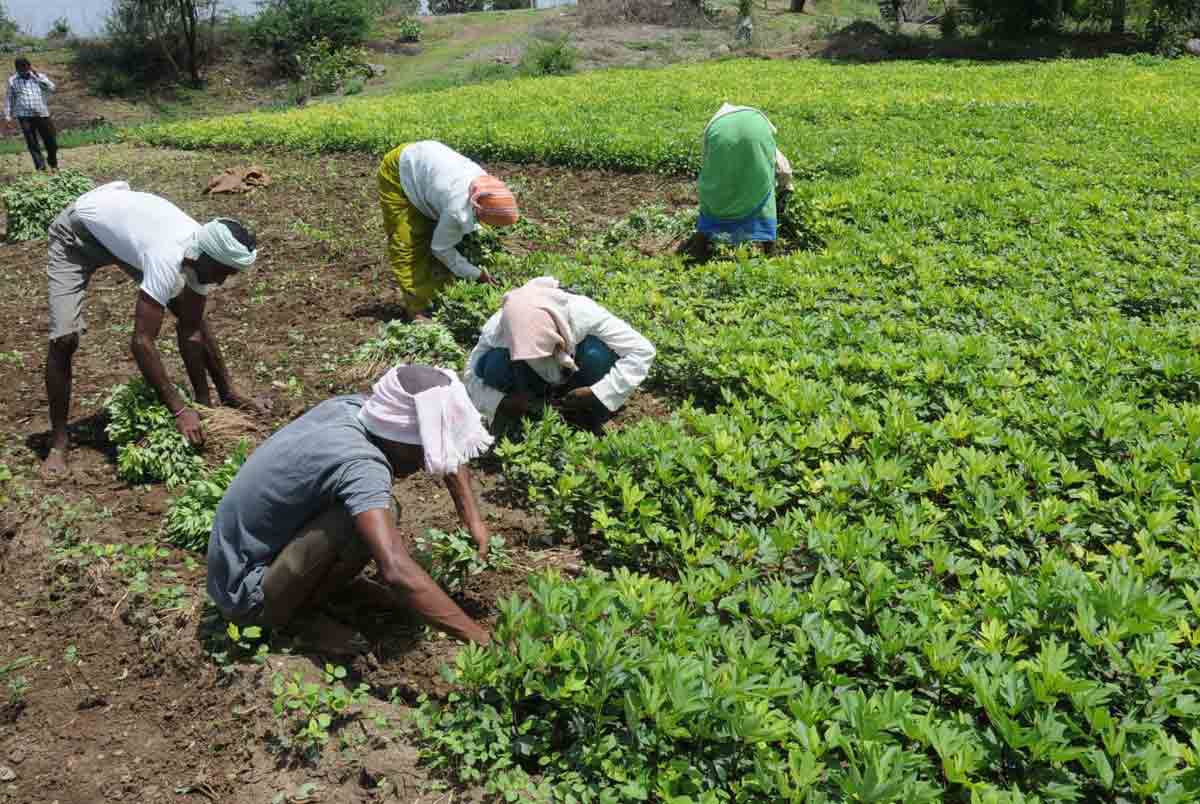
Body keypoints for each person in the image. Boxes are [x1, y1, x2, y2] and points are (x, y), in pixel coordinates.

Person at [206, 365, 495, 653]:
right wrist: (483, 641)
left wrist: (472, 519)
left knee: (373, 510)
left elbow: (439, 435)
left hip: (240, 561)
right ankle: (295, 620)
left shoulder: (356, 408)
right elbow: (395, 569)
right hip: (245, 597)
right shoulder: (363, 466)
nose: (424, 464)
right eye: (423, 451)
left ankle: (320, 592)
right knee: (367, 518)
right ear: (403, 437)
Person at [42, 181, 264, 477]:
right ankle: (59, 442)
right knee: (64, 339)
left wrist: (204, 405)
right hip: (77, 234)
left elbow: (191, 331)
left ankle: (226, 392)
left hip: (121, 234)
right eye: (222, 273)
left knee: (193, 314)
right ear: (204, 258)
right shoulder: (167, 255)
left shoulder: (202, 250)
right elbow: (141, 342)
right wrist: (179, 410)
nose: (222, 282)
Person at [463, 277, 655, 433]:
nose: (539, 357)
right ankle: (535, 405)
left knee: (596, 354)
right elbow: (470, 376)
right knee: (492, 365)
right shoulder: (499, 328)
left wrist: (599, 392)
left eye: (543, 351)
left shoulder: (581, 312)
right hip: (529, 379)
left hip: (579, 370)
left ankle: (588, 409)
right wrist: (501, 401)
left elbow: (642, 350)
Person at [377, 140, 518, 321]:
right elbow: (441, 249)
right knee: (409, 244)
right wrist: (478, 274)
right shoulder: (456, 209)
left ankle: (440, 288)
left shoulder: (485, 188)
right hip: (399, 170)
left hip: (426, 160)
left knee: (436, 232)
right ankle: (417, 308)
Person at [692, 103, 793, 252]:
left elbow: (706, 162)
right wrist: (786, 187)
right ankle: (770, 253)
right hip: (757, 188)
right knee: (763, 187)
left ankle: (698, 251)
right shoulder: (761, 131)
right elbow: (784, 170)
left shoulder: (717, 125)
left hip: (718, 192)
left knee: (713, 205)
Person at [4, 57, 58, 173]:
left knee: (51, 142)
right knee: (32, 143)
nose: (22, 71)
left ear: (29, 67)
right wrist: (8, 116)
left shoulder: (39, 77)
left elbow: (52, 88)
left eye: (25, 68)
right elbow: (9, 98)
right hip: (24, 117)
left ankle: (53, 163)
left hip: (42, 114)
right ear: (16, 69)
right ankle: (41, 168)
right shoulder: (12, 80)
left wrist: (37, 77)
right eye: (19, 69)